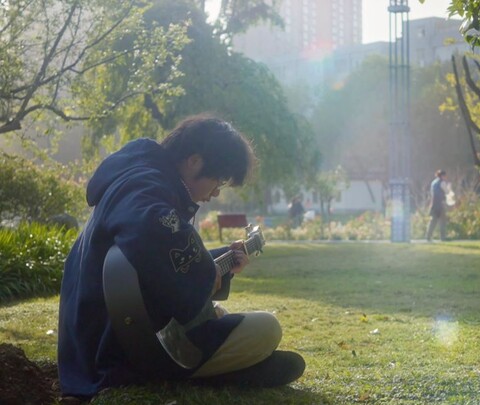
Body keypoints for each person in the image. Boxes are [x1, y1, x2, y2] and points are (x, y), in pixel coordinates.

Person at [57, 115, 305, 401]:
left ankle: (228, 366)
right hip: (116, 352)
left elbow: (157, 261)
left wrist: (218, 263)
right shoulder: (146, 189)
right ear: (194, 161)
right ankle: (219, 371)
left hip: (95, 344)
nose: (215, 193)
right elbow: (151, 234)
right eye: (218, 180)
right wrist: (203, 277)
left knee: (221, 315)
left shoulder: (136, 177)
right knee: (266, 328)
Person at [425, 169, 449, 242]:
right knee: (442, 222)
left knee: (433, 221)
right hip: (441, 204)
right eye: (445, 176)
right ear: (442, 176)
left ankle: (428, 236)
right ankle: (443, 237)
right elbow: (447, 192)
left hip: (434, 204)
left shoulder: (433, 182)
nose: (446, 177)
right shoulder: (442, 183)